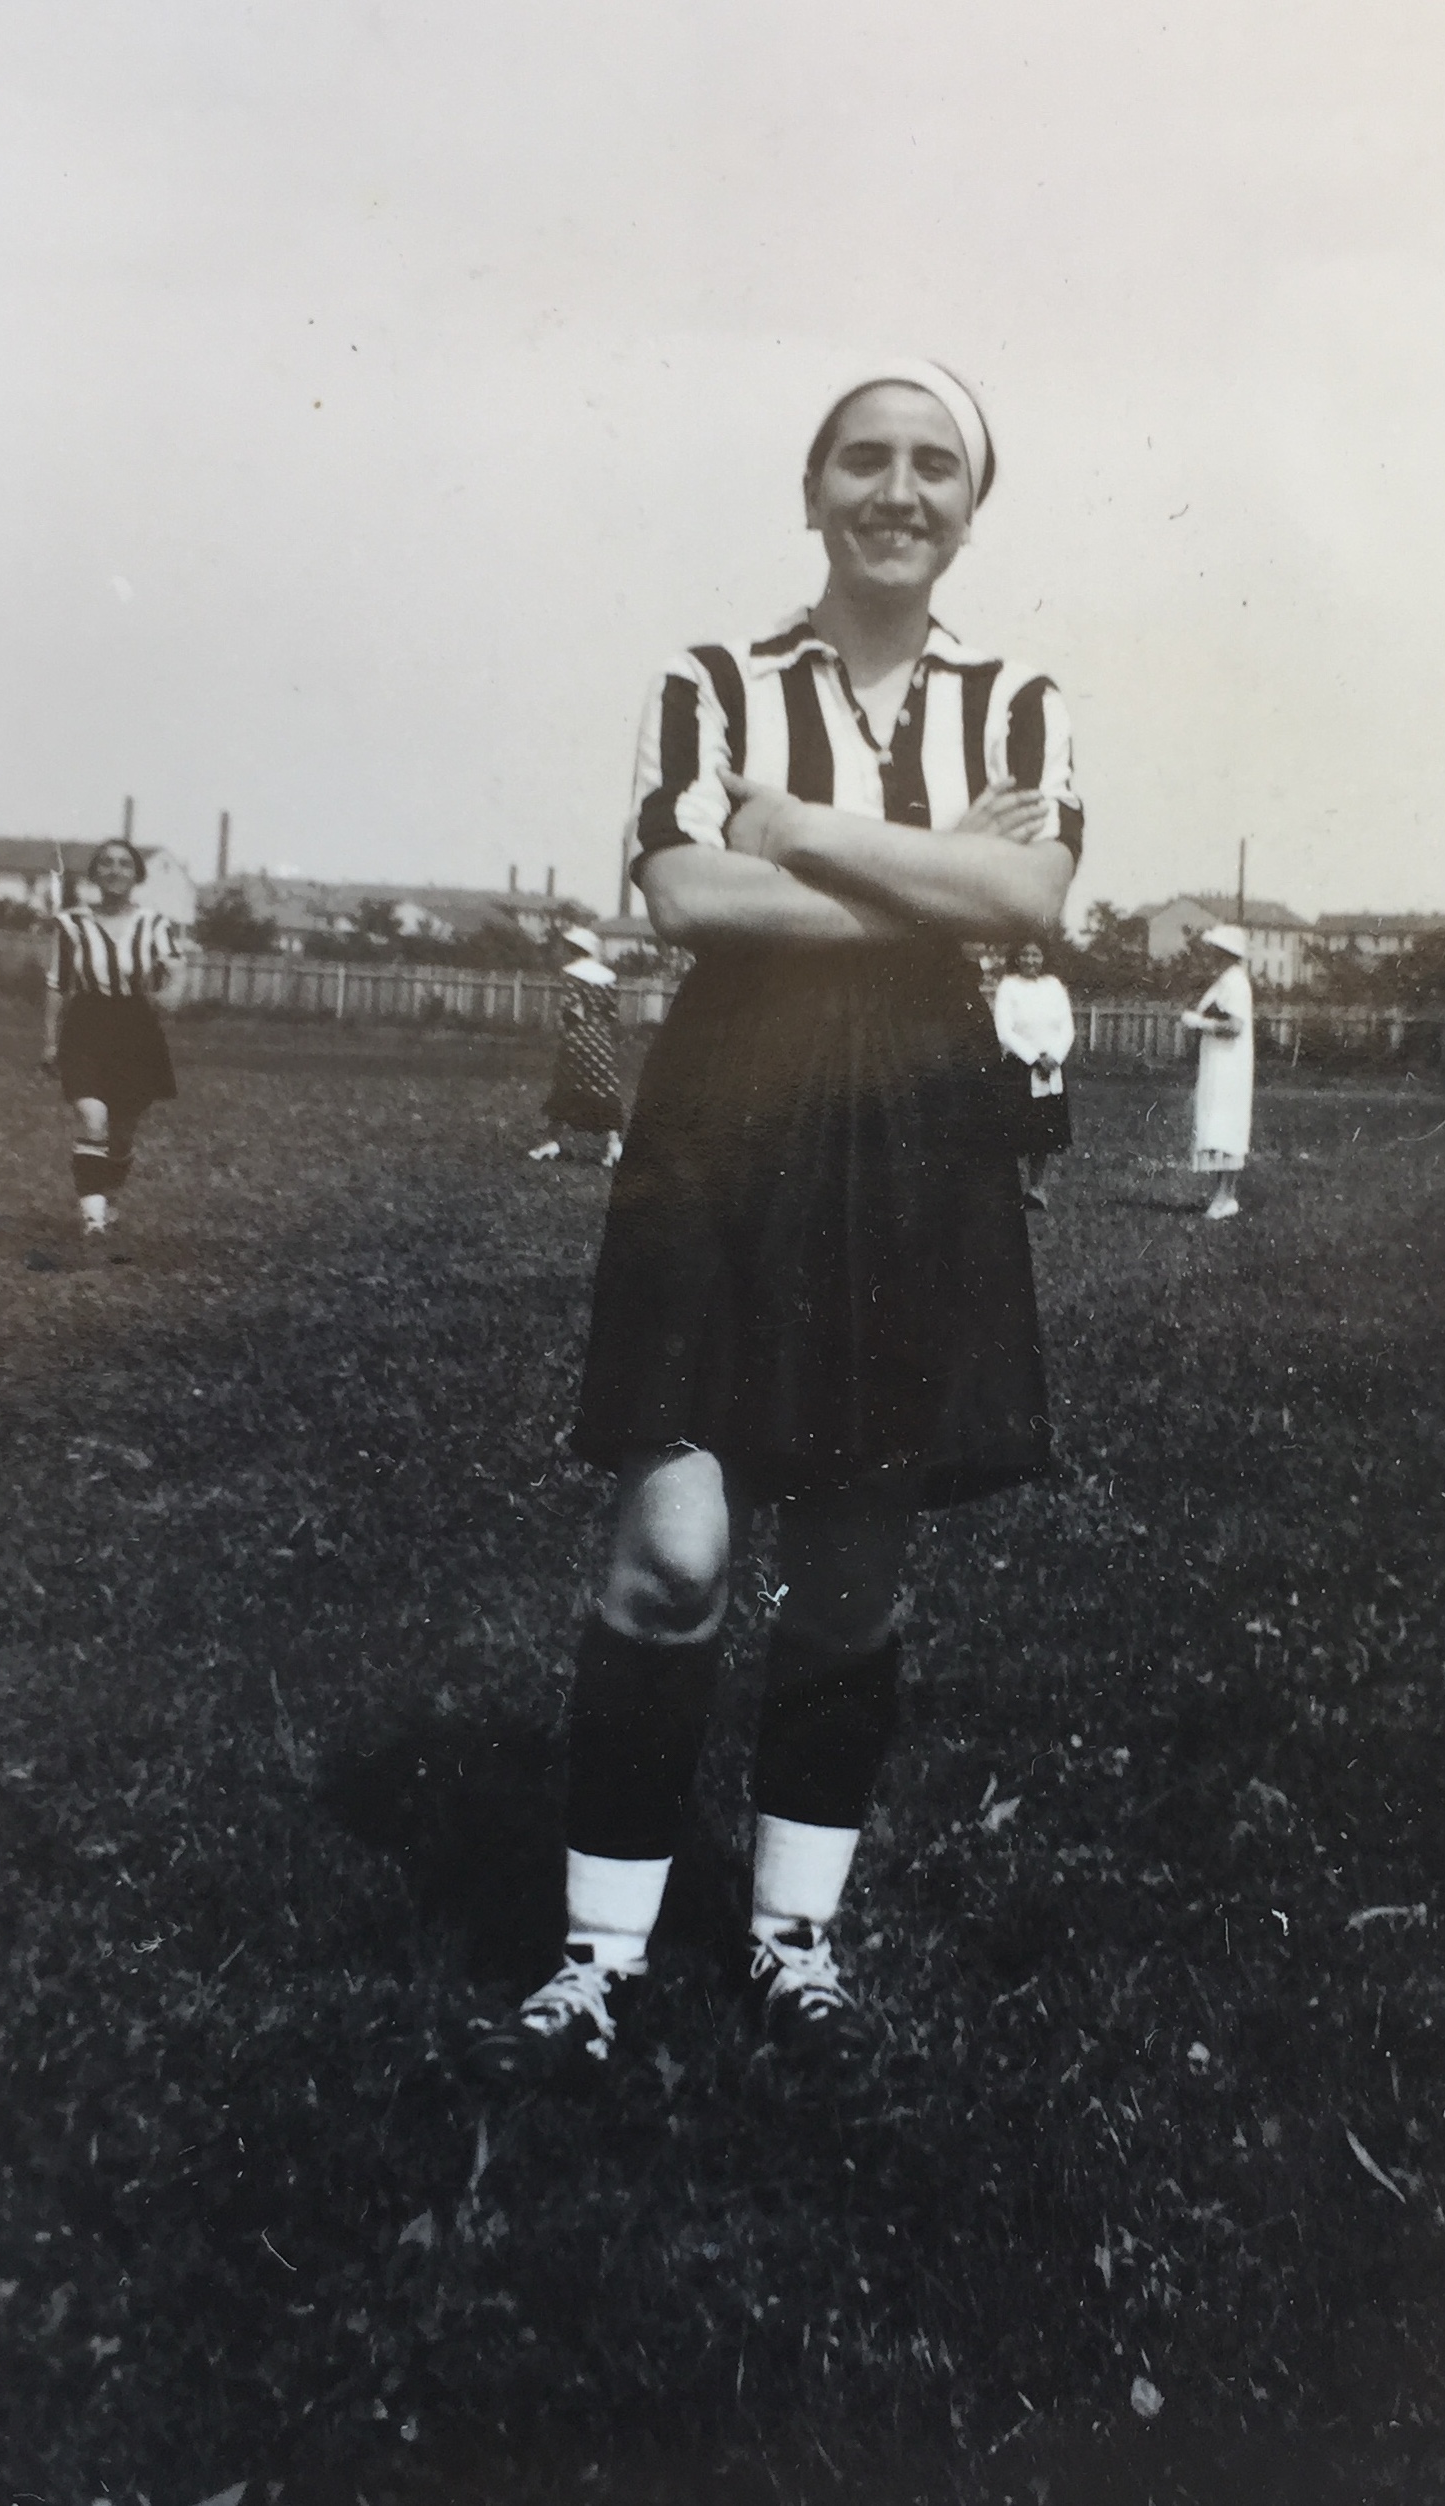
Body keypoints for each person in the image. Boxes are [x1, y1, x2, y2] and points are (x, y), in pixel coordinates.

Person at [469, 358, 1081, 2088]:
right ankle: (600, 1957)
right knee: (673, 1556)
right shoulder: (710, 676)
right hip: (725, 1117)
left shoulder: (1019, 699)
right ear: (811, 489)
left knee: (855, 1569)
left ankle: (792, 1938)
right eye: (865, 460)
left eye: (935, 465)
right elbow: (679, 892)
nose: (899, 489)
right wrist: (921, 871)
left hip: (916, 1125)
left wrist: (798, 825)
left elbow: (1027, 892)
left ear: (972, 506)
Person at [39, 838, 186, 1246]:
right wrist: (49, 1042)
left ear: (137, 874)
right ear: (94, 873)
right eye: (106, 863)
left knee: (121, 1132)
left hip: (137, 1028)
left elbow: (176, 973)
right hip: (86, 1023)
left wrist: (168, 995)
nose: (115, 870)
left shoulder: (155, 924)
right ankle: (94, 1220)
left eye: (124, 863)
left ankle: (109, 1197)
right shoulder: (71, 924)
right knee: (93, 1117)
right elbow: (57, 985)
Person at [531, 927, 625, 1169]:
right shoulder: (609, 977)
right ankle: (614, 1145)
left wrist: (564, 1027)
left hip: (578, 1036)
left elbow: (573, 1009)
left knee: (567, 1086)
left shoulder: (571, 974)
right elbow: (612, 1012)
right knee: (605, 1088)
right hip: (601, 1037)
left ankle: (551, 1141)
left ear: (574, 949)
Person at [991, 938, 1074, 1210]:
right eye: (1025, 954)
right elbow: (1005, 1030)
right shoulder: (1008, 986)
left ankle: (1036, 1188)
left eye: (1036, 955)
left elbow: (1067, 1028)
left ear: (1044, 958)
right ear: (1016, 957)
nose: (1030, 960)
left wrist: (1054, 1057)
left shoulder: (1054, 986)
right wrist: (1033, 1058)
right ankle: (1006, 1192)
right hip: (1019, 1066)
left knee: (1042, 1133)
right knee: (1013, 1131)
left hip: (1051, 1067)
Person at [1181, 923, 1254, 1219]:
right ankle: (1222, 1195)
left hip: (1230, 1064)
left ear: (1225, 953)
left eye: (1214, 951)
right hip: (1219, 1062)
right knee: (1217, 1125)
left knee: (1227, 1126)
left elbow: (1235, 1027)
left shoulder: (1236, 982)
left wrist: (1201, 1024)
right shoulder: (1225, 980)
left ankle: (1226, 1197)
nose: (1209, 955)